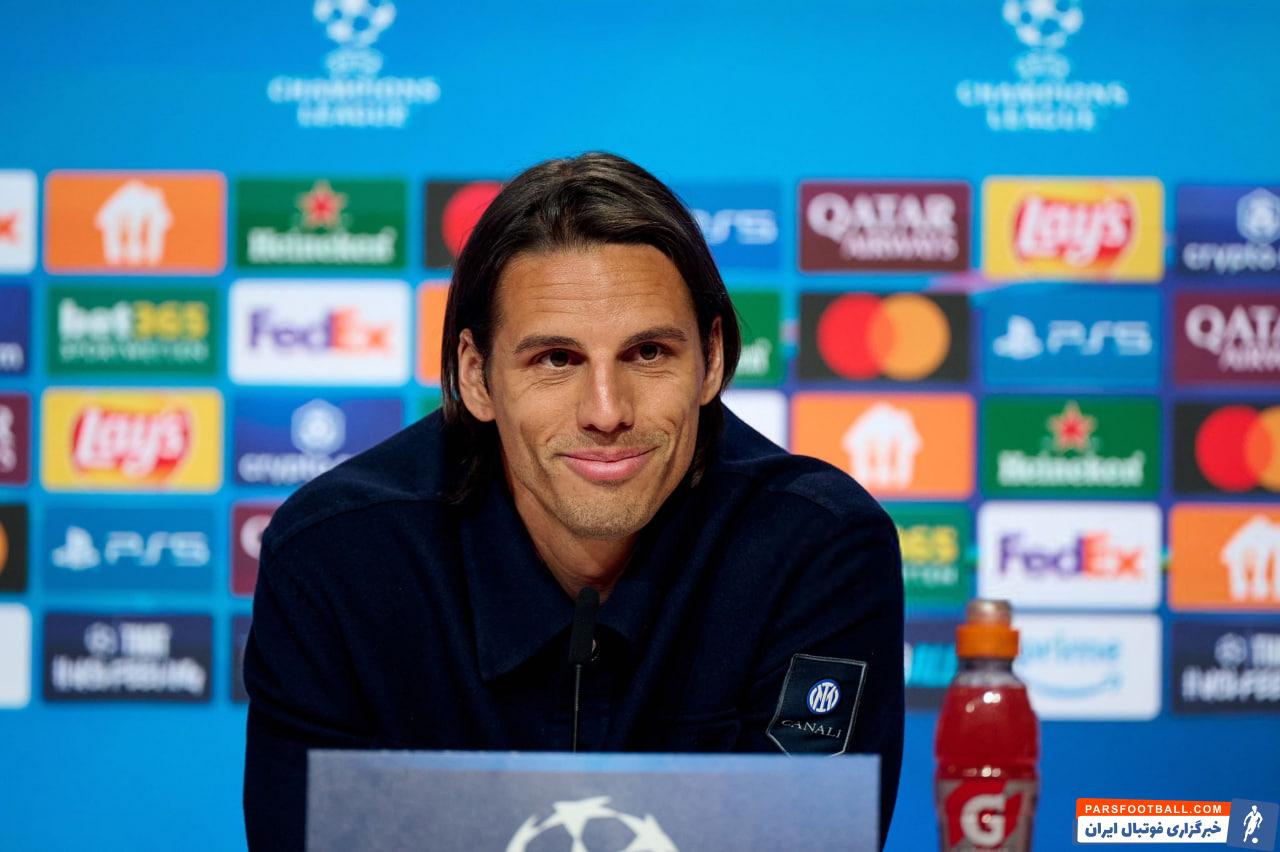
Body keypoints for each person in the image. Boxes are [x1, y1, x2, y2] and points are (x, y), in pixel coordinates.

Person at [242, 152, 904, 849]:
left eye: (648, 353)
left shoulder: (818, 550)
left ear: (712, 360)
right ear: (477, 377)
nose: (607, 412)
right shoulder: (338, 558)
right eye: (556, 360)